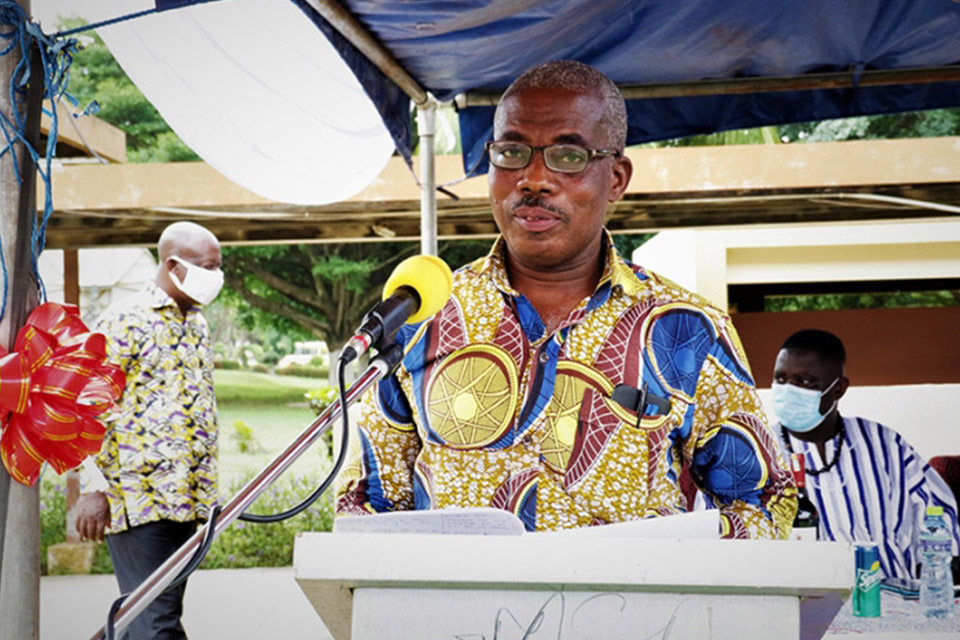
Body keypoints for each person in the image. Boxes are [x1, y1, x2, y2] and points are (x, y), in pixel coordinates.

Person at [336, 60, 796, 539]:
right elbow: (366, 503)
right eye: (511, 152)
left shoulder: (688, 329)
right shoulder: (424, 316)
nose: (533, 178)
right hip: (457, 610)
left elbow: (762, 501)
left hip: (631, 610)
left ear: (616, 178)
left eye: (569, 156)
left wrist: (677, 566)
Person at [75, 221, 223, 639]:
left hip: (188, 496)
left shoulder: (195, 321)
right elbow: (88, 404)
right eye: (208, 266)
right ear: (174, 266)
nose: (217, 277)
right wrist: (91, 487)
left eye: (219, 266)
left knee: (150, 613)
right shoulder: (125, 318)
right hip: (139, 498)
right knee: (155, 622)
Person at [772, 328, 960, 579]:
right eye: (781, 379)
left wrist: (932, 579)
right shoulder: (754, 452)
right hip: (803, 605)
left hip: (891, 599)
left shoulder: (885, 444)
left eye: (804, 381)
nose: (788, 390)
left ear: (838, 389)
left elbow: (938, 513)